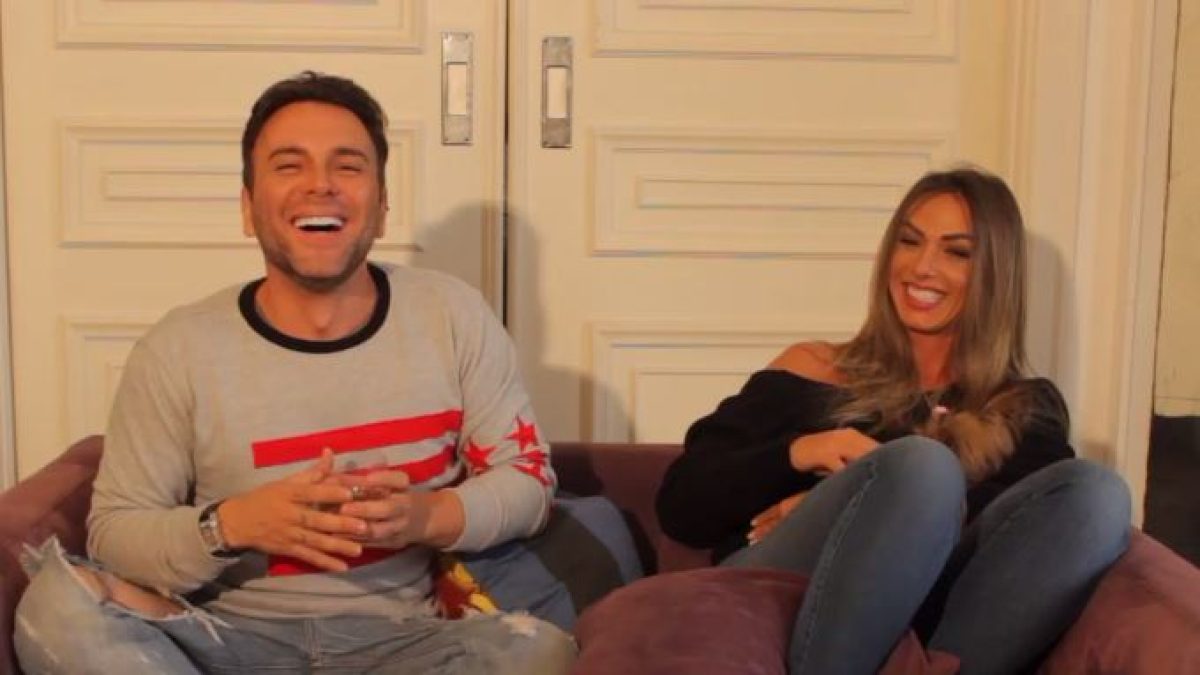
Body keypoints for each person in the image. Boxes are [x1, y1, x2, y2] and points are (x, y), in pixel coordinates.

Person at [14, 71, 575, 674]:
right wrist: (233, 525)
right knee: (58, 604)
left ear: (382, 208)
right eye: (289, 165)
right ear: (248, 208)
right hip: (220, 643)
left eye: (348, 166)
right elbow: (116, 534)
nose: (320, 185)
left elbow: (528, 479)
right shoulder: (177, 347)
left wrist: (425, 516)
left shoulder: (453, 315)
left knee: (539, 650)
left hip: (402, 646)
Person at [655, 167, 1132, 675]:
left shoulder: (1021, 408)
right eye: (909, 241)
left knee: (1099, 492)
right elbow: (682, 506)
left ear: (996, 275)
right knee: (924, 466)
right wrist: (803, 452)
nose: (922, 267)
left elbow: (1025, 531)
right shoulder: (812, 368)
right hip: (781, 598)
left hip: (938, 624)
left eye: (956, 252)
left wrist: (859, 509)